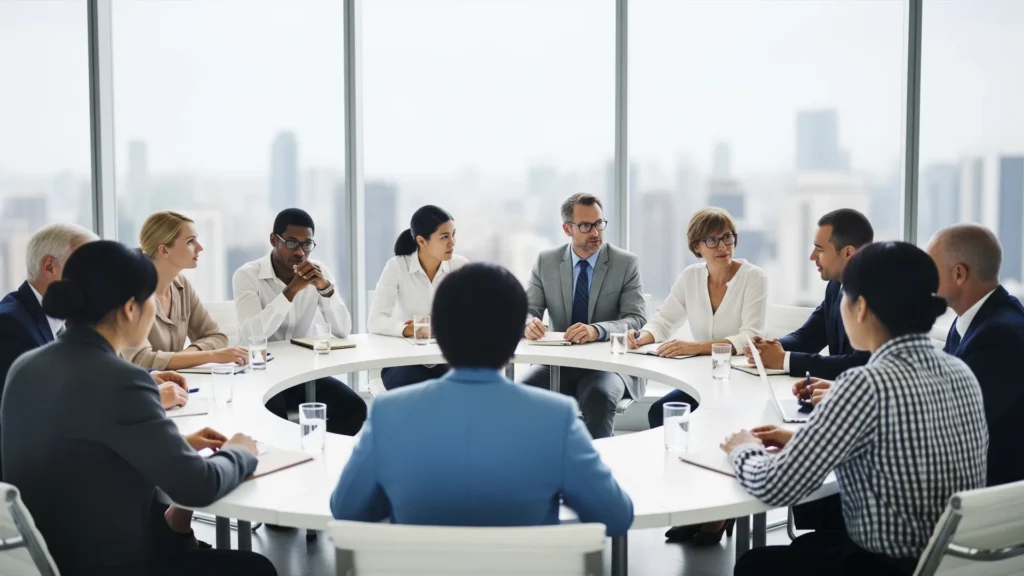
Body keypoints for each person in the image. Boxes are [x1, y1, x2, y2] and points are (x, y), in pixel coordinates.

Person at [1, 240, 275, 576]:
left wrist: (178, 445)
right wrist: (241, 452)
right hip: (113, 564)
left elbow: (76, 450)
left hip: (47, 559)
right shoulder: (123, 380)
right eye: (152, 300)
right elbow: (199, 486)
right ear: (130, 309)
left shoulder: (25, 366)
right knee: (256, 568)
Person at [722, 242, 988, 576]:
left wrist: (743, 448)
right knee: (808, 547)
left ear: (860, 308)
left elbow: (777, 486)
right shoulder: (960, 372)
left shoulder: (865, 384)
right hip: (949, 560)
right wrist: (800, 440)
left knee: (753, 565)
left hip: (885, 566)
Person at [330, 263, 634, 537]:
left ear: (439, 335)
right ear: (515, 341)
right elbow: (615, 516)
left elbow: (347, 509)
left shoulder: (388, 414)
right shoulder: (557, 418)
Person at [628, 207, 768, 544]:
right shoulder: (690, 277)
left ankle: (719, 512)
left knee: (713, 422)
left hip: (742, 382)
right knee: (660, 413)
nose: (723, 246)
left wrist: (695, 347)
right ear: (697, 246)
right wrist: (643, 337)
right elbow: (664, 320)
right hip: (705, 382)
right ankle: (692, 503)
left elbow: (750, 337)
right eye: (712, 240)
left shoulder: (754, 278)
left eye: (727, 237)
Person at [520, 193, 647, 439]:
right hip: (559, 364)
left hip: (609, 365)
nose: (596, 232)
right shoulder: (546, 261)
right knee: (521, 395)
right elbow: (527, 310)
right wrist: (528, 323)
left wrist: (596, 330)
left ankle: (595, 463)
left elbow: (636, 318)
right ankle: (537, 460)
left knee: (599, 398)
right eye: (586, 226)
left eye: (599, 223)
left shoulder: (625, 263)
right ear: (567, 229)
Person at [233, 208, 366, 436]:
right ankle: (289, 453)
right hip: (260, 373)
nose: (300, 252)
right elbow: (251, 336)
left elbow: (343, 329)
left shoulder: (319, 272)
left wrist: (325, 288)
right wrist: (291, 290)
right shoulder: (247, 275)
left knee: (353, 409)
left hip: (301, 373)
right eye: (292, 243)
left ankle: (313, 450)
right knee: (271, 420)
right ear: (273, 240)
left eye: (307, 244)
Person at [928, 224, 1024, 487]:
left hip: (988, 490)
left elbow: (951, 423)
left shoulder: (1000, 336)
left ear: (959, 274)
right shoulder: (975, 318)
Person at [746, 208, 873, 380]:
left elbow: (859, 364)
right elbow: (808, 337)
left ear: (848, 253)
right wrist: (769, 347)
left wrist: (783, 359)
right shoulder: (835, 285)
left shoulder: (874, 295)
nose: (812, 257)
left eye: (820, 249)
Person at [124, 211, 248, 370]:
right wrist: (211, 355)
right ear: (164, 250)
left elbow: (216, 336)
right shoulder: (129, 292)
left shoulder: (182, 285)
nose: (200, 248)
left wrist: (184, 357)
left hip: (176, 381)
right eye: (190, 241)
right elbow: (141, 360)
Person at [369, 205, 468, 390]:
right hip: (404, 361)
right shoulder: (397, 266)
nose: (452, 243)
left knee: (464, 386)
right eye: (444, 237)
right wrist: (409, 329)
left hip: (448, 359)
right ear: (422, 241)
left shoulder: (460, 267)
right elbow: (375, 321)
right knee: (419, 390)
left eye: (453, 235)